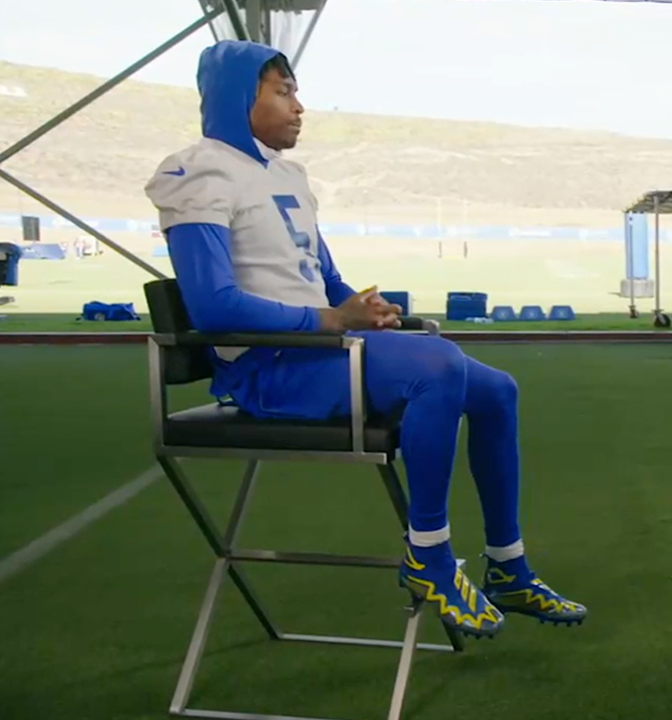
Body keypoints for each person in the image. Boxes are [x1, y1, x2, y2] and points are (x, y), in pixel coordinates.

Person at [144, 40, 586, 637]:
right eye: (282, 92)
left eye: (295, 91)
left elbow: (324, 279)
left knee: (497, 391)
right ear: (235, 99)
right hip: (268, 370)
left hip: (320, 352)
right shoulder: (197, 172)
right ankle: (427, 555)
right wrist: (328, 321)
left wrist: (364, 308)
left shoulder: (289, 176)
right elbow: (212, 307)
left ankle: (508, 566)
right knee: (435, 368)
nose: (299, 106)